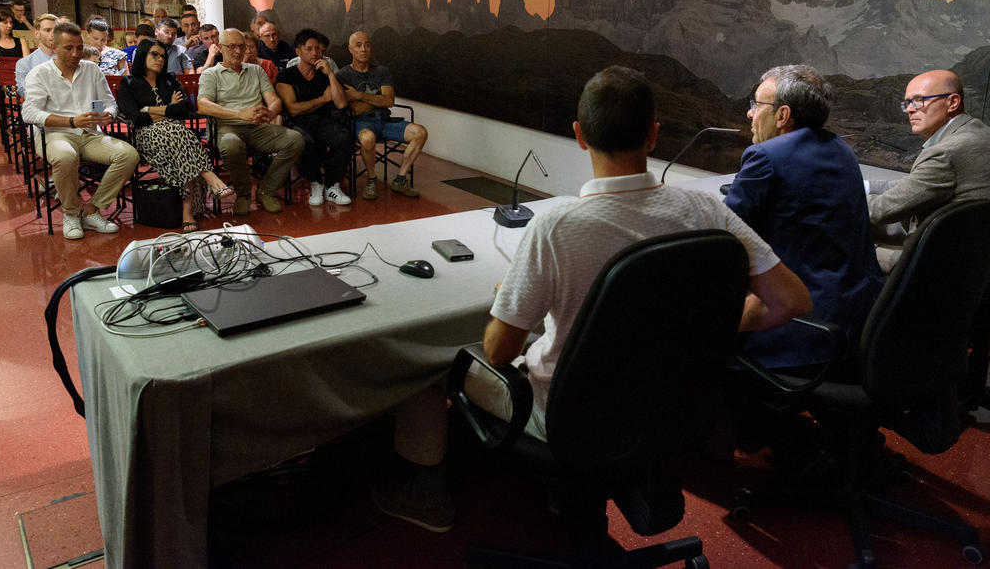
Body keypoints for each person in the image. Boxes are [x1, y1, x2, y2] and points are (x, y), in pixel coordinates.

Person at [375, 66, 812, 532]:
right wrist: (702, 326)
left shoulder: (556, 226)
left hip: (565, 417)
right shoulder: (707, 211)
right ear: (653, 135)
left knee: (431, 365)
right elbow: (790, 301)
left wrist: (518, 302)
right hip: (666, 408)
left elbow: (500, 352)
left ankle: (424, 493)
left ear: (579, 136)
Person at [723, 65, 883, 371]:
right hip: (852, 322)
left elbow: (723, 235)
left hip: (797, 330)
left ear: (782, 115)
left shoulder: (766, 156)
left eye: (757, 104)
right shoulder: (840, 149)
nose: (749, 113)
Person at [866, 69, 990, 270]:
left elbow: (881, 211)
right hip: (979, 259)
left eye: (919, 100)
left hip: (954, 270)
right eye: (907, 103)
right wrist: (864, 186)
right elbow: (912, 186)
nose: (910, 110)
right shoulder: (974, 131)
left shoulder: (947, 152)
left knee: (841, 242)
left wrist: (838, 195)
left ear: (953, 102)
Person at [21, 22, 139, 239]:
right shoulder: (39, 74)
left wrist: (109, 114)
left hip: (89, 134)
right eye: (68, 48)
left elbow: (109, 102)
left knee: (129, 155)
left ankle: (91, 210)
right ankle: (71, 213)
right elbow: (28, 113)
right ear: (54, 46)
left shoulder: (91, 69)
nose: (76, 53)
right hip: (54, 134)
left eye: (79, 47)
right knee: (65, 156)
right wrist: (71, 122)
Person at [116, 40, 234, 232]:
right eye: (154, 54)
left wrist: (149, 109)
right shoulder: (128, 83)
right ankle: (210, 177)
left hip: (177, 137)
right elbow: (136, 118)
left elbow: (184, 110)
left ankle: (187, 212)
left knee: (179, 143)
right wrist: (168, 108)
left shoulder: (170, 79)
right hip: (147, 137)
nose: (160, 59)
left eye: (163, 56)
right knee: (180, 135)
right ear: (143, 55)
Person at [196, 28, 303, 214]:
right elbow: (203, 105)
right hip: (227, 128)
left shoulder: (256, 70)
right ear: (220, 47)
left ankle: (267, 190)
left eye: (242, 46)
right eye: (232, 47)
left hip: (257, 126)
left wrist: (270, 113)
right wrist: (239, 114)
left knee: (295, 140)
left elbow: (275, 100)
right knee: (231, 144)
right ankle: (243, 194)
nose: (238, 51)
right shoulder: (211, 74)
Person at [335, 31, 427, 199]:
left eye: (367, 45)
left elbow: (389, 100)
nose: (363, 49)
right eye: (358, 45)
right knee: (367, 138)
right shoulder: (342, 75)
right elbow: (357, 109)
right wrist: (378, 100)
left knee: (420, 133)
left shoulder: (382, 71)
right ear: (350, 49)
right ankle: (371, 180)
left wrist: (359, 95)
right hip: (361, 123)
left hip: (385, 120)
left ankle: (400, 179)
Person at [276, 28, 352, 206]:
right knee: (305, 141)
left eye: (318, 49)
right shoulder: (286, 75)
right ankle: (316, 183)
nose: (315, 53)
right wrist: (322, 99)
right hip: (297, 123)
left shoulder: (325, 75)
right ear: (298, 51)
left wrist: (331, 75)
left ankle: (333, 186)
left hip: (324, 120)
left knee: (343, 137)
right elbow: (293, 109)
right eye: (309, 49)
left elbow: (341, 103)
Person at [13, 13, 58, 96]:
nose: (53, 34)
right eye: (47, 30)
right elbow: (25, 92)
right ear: (37, 34)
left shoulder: (71, 58)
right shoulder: (25, 63)